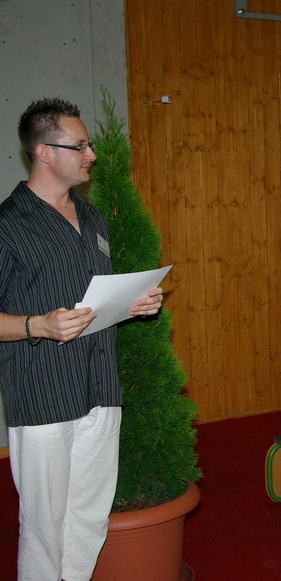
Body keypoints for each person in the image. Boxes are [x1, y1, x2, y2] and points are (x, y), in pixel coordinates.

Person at [0, 97, 164, 581]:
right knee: (44, 526)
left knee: (90, 517)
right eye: (80, 146)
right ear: (44, 152)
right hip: (42, 391)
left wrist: (133, 304)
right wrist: (38, 325)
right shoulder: (7, 224)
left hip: (99, 386)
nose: (91, 154)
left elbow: (96, 299)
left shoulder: (93, 219)